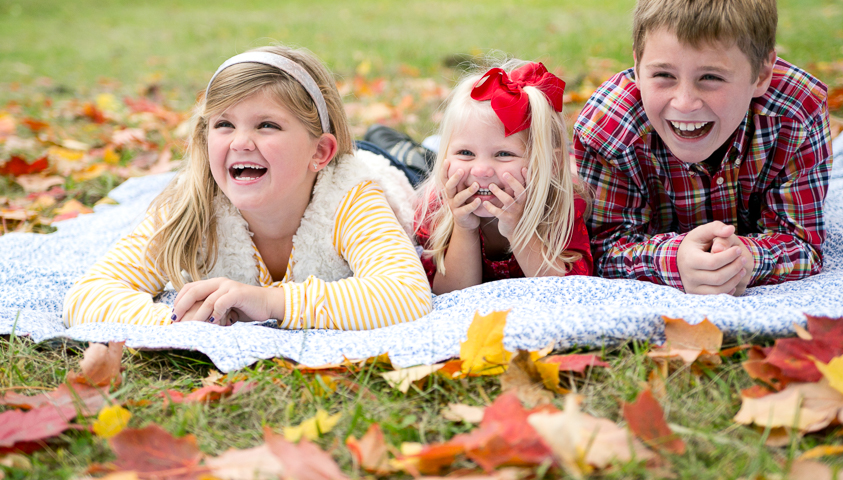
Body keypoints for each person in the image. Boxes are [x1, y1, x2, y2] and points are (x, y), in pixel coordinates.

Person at [63, 46, 432, 328]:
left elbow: (406, 295)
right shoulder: (193, 204)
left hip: (388, 170)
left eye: (266, 125)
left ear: (319, 151)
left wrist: (270, 302)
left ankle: (403, 145)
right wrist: (180, 325)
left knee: (416, 162)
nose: (240, 142)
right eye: (224, 124)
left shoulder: (351, 198)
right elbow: (87, 296)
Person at [574, 0, 832, 296]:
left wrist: (745, 258)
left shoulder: (797, 111)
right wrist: (673, 259)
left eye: (710, 77)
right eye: (663, 75)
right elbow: (602, 249)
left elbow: (801, 241)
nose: (684, 102)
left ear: (762, 74)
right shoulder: (608, 129)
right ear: (636, 65)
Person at [417, 60, 593, 294]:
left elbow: (568, 292)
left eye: (503, 154)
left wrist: (518, 231)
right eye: (465, 153)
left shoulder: (563, 206)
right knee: (410, 163)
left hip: (563, 169)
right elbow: (447, 296)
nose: (481, 170)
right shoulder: (436, 206)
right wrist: (464, 227)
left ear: (549, 164)